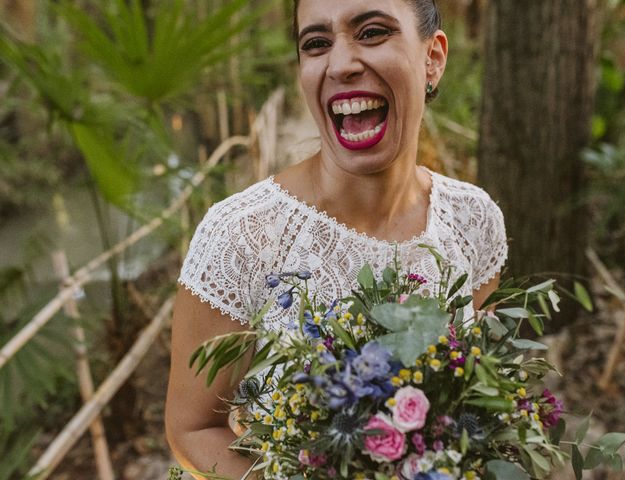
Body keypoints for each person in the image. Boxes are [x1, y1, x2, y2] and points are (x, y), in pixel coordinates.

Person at [165, 0, 508, 478]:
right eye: (317, 43)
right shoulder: (241, 235)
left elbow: (472, 388)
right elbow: (192, 429)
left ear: (432, 57)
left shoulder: (474, 220)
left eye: (371, 32)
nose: (342, 64)